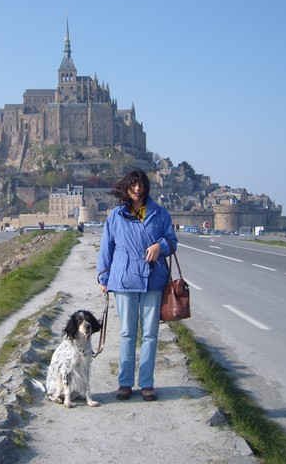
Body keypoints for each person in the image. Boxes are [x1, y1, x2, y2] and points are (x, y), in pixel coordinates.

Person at [97, 169, 178, 401]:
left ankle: (146, 383)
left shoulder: (160, 214)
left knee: (150, 334)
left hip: (153, 279)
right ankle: (124, 383)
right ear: (127, 187)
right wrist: (103, 277)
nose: (137, 189)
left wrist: (159, 246)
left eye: (140, 185)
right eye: (133, 185)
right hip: (124, 279)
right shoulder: (115, 216)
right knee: (127, 333)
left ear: (146, 187)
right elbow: (106, 248)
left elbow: (172, 242)